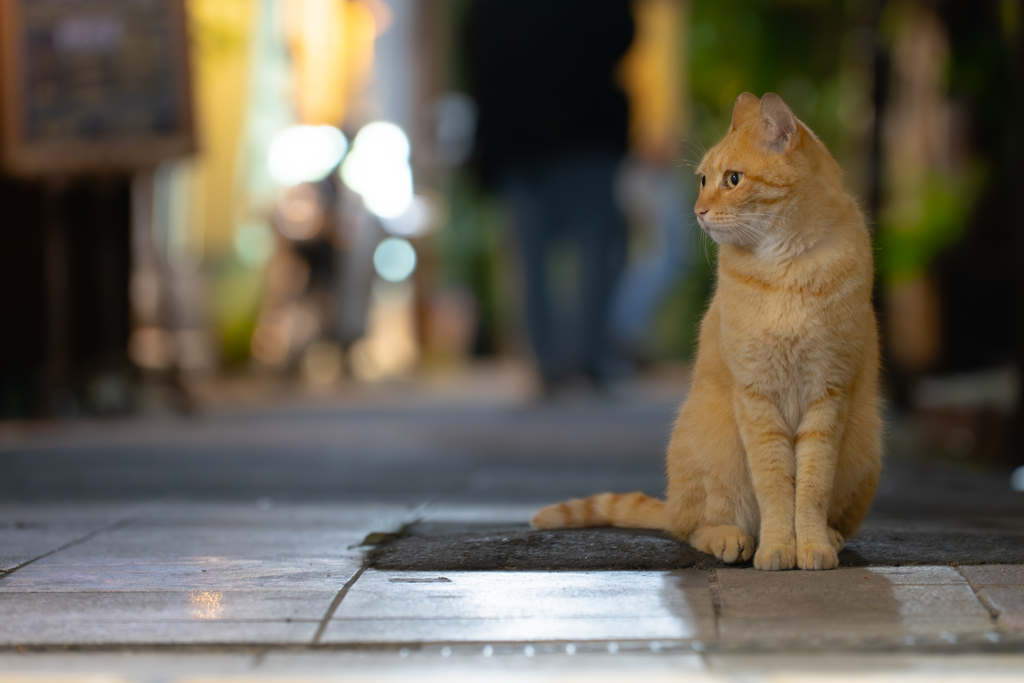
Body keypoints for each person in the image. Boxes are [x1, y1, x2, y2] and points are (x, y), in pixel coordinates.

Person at [463, 0, 635, 394]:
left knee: (530, 253)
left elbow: (476, 47)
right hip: (584, 127)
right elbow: (621, 32)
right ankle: (585, 357)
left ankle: (550, 363)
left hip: (523, 134)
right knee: (596, 248)